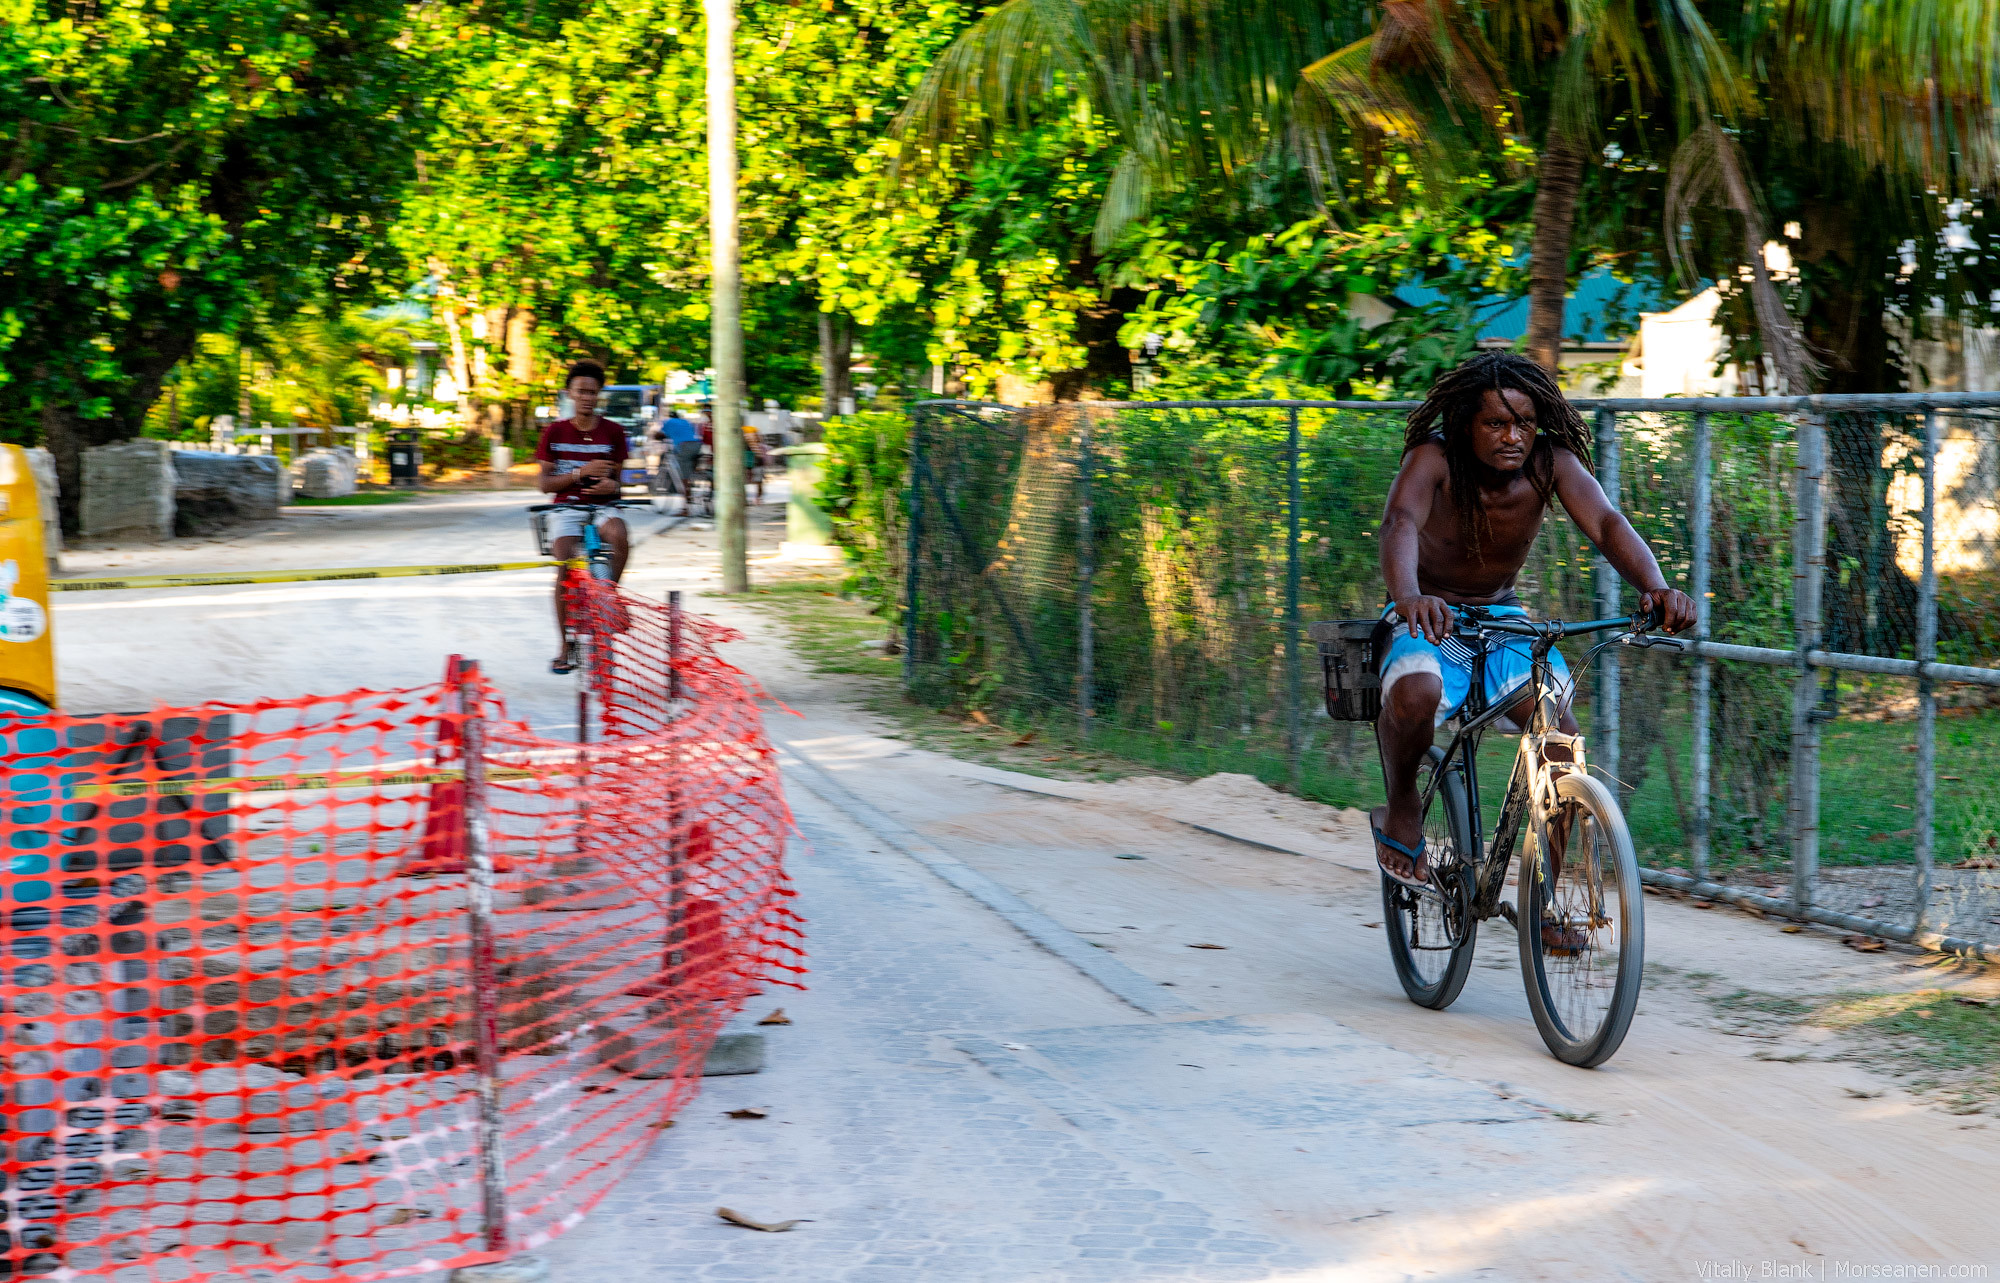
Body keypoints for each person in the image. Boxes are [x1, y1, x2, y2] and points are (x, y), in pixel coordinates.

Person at [1372, 352, 1695, 917]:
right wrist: (1408, 597)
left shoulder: (1552, 463)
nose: (1512, 436)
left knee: (1561, 744)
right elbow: (1400, 521)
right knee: (1417, 691)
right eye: (1495, 423)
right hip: (1429, 614)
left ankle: (1541, 906)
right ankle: (1403, 807)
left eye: (1524, 421)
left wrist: (1656, 587)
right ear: (1465, 423)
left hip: (1501, 620)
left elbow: (1606, 523)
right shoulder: (1435, 459)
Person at [536, 360, 629, 673]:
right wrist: (580, 473)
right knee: (564, 563)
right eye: (581, 391)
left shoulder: (614, 432)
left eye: (593, 392)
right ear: (570, 394)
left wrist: (611, 485)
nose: (587, 397)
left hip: (603, 506)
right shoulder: (554, 431)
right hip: (565, 507)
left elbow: (620, 481)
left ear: (599, 395)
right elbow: (544, 485)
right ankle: (565, 645)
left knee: (619, 535)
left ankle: (608, 599)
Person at [659, 405, 702, 494]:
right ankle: (695, 478)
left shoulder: (667, 422)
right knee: (691, 466)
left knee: (683, 472)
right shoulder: (686, 421)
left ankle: (686, 499)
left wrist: (657, 438)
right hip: (697, 445)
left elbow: (660, 435)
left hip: (684, 446)